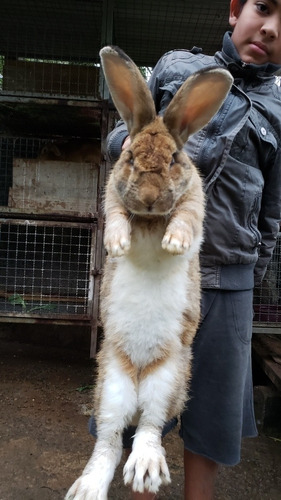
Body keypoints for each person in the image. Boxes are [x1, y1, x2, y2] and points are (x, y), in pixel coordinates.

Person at [104, 0, 281, 498]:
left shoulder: (277, 110)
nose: (269, 28)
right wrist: (131, 142)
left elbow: (272, 210)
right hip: (153, 269)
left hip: (229, 278)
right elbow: (126, 135)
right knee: (140, 397)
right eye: (263, 7)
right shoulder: (177, 67)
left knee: (210, 414)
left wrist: (251, 269)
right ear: (234, 10)